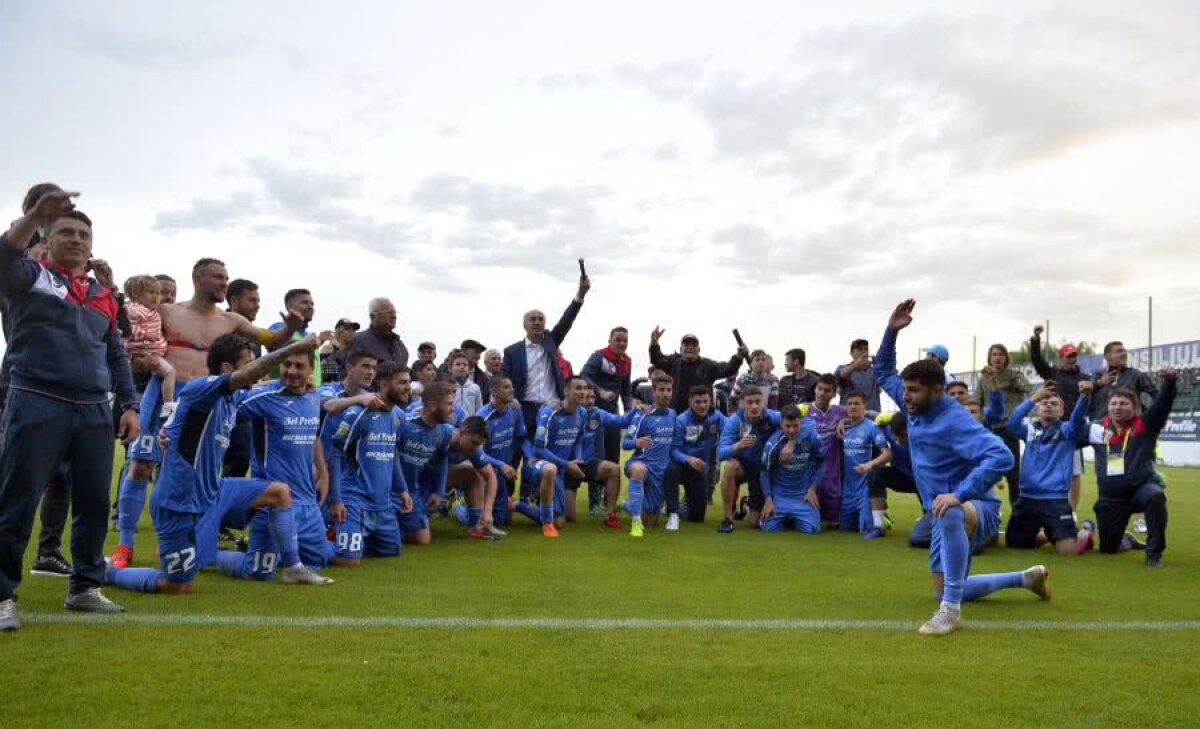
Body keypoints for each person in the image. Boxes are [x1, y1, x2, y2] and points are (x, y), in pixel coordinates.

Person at [0, 191, 141, 629]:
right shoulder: (29, 276)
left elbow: (115, 354)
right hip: (37, 400)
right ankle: (2, 596)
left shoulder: (103, 295)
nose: (76, 239)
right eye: (65, 231)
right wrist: (35, 214)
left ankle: (84, 588)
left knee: (95, 502)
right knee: (17, 501)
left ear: (92, 245)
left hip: (95, 410)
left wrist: (131, 404)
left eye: (83, 234)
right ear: (46, 236)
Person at [103, 334, 332, 596]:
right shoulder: (205, 389)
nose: (255, 370)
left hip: (215, 491)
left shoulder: (232, 399)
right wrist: (296, 347)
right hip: (179, 500)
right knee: (177, 585)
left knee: (279, 492)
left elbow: (255, 387)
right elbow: (246, 379)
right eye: (249, 363)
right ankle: (104, 571)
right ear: (227, 369)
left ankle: (293, 568)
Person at [113, 258, 304, 567]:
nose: (223, 283)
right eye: (217, 277)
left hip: (205, 404)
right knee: (141, 464)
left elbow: (267, 339)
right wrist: (141, 363)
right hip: (163, 395)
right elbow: (137, 343)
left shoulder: (231, 320)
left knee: (186, 470)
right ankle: (125, 545)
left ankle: (170, 542)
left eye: (226, 278)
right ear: (197, 278)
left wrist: (290, 330)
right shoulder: (167, 312)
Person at [876, 300, 1050, 637]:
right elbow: (883, 371)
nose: (906, 397)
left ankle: (950, 614)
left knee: (950, 514)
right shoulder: (915, 404)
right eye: (906, 390)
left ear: (937, 390)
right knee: (946, 585)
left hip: (976, 507)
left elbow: (1002, 456)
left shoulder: (954, 420)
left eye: (913, 391)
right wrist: (891, 332)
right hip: (945, 506)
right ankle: (1025, 578)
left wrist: (959, 494)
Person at [216, 349, 335, 579]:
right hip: (274, 502)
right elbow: (222, 412)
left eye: (299, 366)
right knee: (258, 572)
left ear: (311, 370)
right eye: (286, 364)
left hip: (309, 505)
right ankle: (213, 554)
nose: (291, 371)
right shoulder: (263, 396)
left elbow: (314, 435)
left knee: (320, 561)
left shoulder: (313, 398)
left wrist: (323, 472)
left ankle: (277, 550)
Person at [1086, 370, 1176, 567]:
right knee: (1108, 549)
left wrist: (1169, 383)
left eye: (1124, 403)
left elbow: (1162, 405)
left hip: (1140, 490)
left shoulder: (1145, 425)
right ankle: (1127, 539)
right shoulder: (1097, 428)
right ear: (1108, 406)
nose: (1118, 407)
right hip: (1111, 498)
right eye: (1114, 403)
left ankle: (1153, 553)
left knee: (1155, 495)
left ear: (1135, 408)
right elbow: (1071, 432)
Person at [329, 375, 412, 567]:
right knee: (348, 560)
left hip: (383, 505)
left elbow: (393, 453)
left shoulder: (399, 416)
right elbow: (335, 452)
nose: (408, 387)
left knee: (392, 551)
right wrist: (336, 499)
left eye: (408, 382)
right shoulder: (357, 412)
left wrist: (402, 489)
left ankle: (349, 537)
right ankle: (319, 541)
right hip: (355, 500)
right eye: (402, 382)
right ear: (384, 384)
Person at [1003, 383, 1096, 555]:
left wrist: (1085, 396)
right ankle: (1049, 535)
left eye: (1054, 404)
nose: (1048, 405)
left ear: (1061, 412)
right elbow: (1012, 424)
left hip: (1055, 500)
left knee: (1067, 552)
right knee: (1015, 545)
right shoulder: (1029, 430)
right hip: (1027, 499)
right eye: (1044, 402)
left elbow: (1077, 419)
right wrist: (1032, 399)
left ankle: (1086, 530)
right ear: (1038, 409)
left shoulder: (1068, 431)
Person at [502, 272, 590, 436]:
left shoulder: (551, 342)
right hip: (523, 408)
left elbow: (566, 321)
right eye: (532, 319)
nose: (537, 322)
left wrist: (580, 295)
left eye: (540, 319)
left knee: (549, 452)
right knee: (518, 451)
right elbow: (503, 378)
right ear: (525, 325)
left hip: (551, 407)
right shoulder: (512, 351)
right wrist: (509, 400)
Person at [515, 377, 590, 537]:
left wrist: (578, 459)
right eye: (578, 388)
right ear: (566, 391)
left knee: (567, 519)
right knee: (558, 520)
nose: (583, 392)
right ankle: (523, 508)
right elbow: (538, 448)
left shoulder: (582, 413)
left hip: (561, 469)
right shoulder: (550, 411)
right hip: (538, 464)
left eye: (585, 388)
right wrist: (567, 464)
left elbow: (579, 438)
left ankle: (526, 505)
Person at [1029, 325, 1087, 512]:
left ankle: (1072, 511)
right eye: (1068, 355)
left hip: (1072, 429)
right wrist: (1036, 338)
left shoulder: (1084, 377)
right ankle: (1044, 509)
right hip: (1051, 427)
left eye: (1074, 355)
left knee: (1075, 473)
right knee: (1046, 468)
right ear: (1061, 357)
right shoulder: (1053, 374)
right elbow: (1037, 360)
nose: (1071, 359)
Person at [393, 382, 455, 546]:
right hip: (389, 491)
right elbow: (391, 456)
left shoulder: (445, 431)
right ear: (433, 405)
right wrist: (400, 488)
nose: (452, 409)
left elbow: (442, 457)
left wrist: (439, 492)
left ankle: (395, 529)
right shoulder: (405, 424)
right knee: (393, 539)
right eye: (448, 404)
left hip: (413, 491)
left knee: (423, 540)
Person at [620, 374, 678, 537]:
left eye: (669, 390)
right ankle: (636, 524)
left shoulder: (673, 415)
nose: (666, 394)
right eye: (661, 390)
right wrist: (636, 442)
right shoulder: (642, 414)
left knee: (651, 520)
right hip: (641, 463)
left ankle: (626, 504)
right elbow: (625, 443)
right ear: (653, 392)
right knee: (638, 470)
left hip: (660, 472)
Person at [716, 389, 780, 532]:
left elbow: (800, 421)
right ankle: (728, 519)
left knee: (753, 524)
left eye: (757, 402)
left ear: (763, 402)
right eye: (749, 402)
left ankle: (746, 504)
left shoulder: (773, 417)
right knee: (729, 467)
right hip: (743, 467)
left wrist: (791, 443)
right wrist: (738, 445)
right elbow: (720, 453)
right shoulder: (735, 420)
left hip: (763, 470)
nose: (754, 406)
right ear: (742, 403)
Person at [575, 385, 639, 525]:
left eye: (592, 397)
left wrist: (635, 409)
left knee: (614, 469)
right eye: (586, 397)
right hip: (569, 464)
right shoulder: (568, 413)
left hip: (590, 464)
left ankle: (609, 515)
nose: (590, 401)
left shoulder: (598, 414)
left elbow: (622, 422)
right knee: (567, 517)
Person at [869, 412, 933, 548]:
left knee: (929, 519)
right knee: (877, 474)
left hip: (925, 480)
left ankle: (930, 522)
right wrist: (843, 421)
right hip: (901, 475)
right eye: (896, 436)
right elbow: (866, 415)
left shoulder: (924, 436)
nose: (899, 440)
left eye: (903, 436)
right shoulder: (886, 427)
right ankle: (878, 525)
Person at [758, 404, 825, 534]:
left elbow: (822, 461)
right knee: (768, 529)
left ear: (801, 423)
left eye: (796, 426)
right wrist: (768, 499)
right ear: (781, 424)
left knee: (812, 530)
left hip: (803, 496)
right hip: (780, 496)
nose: (792, 430)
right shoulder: (773, 443)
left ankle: (795, 517)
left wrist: (813, 489)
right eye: (787, 426)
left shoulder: (812, 437)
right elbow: (764, 471)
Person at [476, 375, 532, 528]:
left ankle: (512, 505)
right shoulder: (483, 417)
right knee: (480, 521)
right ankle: (463, 507)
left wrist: (530, 457)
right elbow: (477, 453)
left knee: (502, 520)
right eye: (506, 387)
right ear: (493, 391)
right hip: (485, 470)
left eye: (511, 386)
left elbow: (522, 437)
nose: (512, 390)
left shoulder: (515, 410)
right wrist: (500, 464)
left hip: (501, 471)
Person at [977, 344, 1031, 504]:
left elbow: (1027, 387)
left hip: (1009, 429)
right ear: (989, 358)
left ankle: (1017, 515)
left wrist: (1009, 382)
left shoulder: (1014, 375)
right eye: (994, 354)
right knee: (984, 473)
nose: (997, 357)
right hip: (989, 431)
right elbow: (976, 403)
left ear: (1006, 358)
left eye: (1001, 354)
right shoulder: (983, 380)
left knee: (1014, 476)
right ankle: (985, 511)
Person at [667, 385, 725, 526]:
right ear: (690, 402)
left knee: (697, 518)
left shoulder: (717, 417)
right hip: (681, 465)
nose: (703, 405)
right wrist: (688, 459)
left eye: (705, 401)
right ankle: (672, 511)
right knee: (670, 469)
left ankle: (680, 507)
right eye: (698, 402)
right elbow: (674, 450)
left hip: (699, 469)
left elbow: (730, 429)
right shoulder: (682, 420)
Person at [649, 329, 746, 412]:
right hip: (677, 415)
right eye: (686, 344)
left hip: (703, 417)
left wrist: (738, 357)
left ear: (699, 349)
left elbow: (728, 369)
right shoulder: (673, 362)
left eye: (694, 344)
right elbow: (656, 359)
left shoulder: (708, 365)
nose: (690, 347)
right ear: (680, 349)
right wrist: (654, 343)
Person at [580, 326, 633, 476]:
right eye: (618, 340)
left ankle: (607, 491)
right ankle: (595, 495)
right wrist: (600, 391)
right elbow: (584, 375)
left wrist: (630, 411)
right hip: (594, 411)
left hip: (613, 412)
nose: (621, 343)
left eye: (625, 341)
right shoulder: (598, 356)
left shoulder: (626, 361)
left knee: (614, 451)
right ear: (610, 341)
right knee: (597, 453)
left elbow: (626, 390)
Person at [839, 392, 892, 538]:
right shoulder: (842, 428)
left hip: (865, 489)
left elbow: (887, 454)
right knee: (845, 528)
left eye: (857, 403)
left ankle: (881, 518)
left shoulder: (872, 427)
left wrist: (870, 464)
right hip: (847, 490)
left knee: (866, 529)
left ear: (864, 407)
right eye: (849, 404)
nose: (852, 406)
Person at [122, 275, 177, 411]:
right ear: (138, 294)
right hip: (137, 387)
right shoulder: (137, 312)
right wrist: (136, 363)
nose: (169, 297)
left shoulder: (169, 319)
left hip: (161, 386)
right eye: (163, 292)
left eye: (173, 294)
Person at [800, 374, 848, 527]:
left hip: (830, 465)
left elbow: (864, 413)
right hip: (806, 464)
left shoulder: (839, 411)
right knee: (807, 509)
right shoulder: (804, 409)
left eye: (827, 390)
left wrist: (844, 420)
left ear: (834, 394)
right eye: (819, 389)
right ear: (815, 389)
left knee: (832, 521)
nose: (821, 393)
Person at [1090, 341, 1158, 419]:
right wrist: (1100, 383)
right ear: (1107, 356)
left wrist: (1147, 415)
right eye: (1119, 351)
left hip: (1130, 427)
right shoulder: (1097, 375)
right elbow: (1085, 396)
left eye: (1124, 351)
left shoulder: (1136, 375)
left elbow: (1158, 396)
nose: (1124, 354)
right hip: (1102, 426)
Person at [349, 297, 409, 370]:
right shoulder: (357, 340)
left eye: (395, 312)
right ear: (372, 316)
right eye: (389, 313)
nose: (394, 316)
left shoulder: (399, 345)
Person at [836, 339, 880, 411]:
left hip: (872, 417)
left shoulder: (875, 371)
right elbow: (841, 375)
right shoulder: (843, 368)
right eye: (860, 349)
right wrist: (855, 365)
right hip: (848, 417)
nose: (863, 351)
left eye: (866, 349)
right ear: (851, 353)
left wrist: (880, 365)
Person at [318, 318, 360, 384]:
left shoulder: (356, 350)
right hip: (331, 388)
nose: (352, 331)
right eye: (347, 329)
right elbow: (323, 375)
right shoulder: (328, 348)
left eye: (354, 329)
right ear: (338, 331)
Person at [458, 339, 491, 403]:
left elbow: (485, 400)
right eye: (476, 352)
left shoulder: (483, 378)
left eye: (479, 353)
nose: (478, 356)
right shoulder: (447, 373)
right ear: (464, 351)